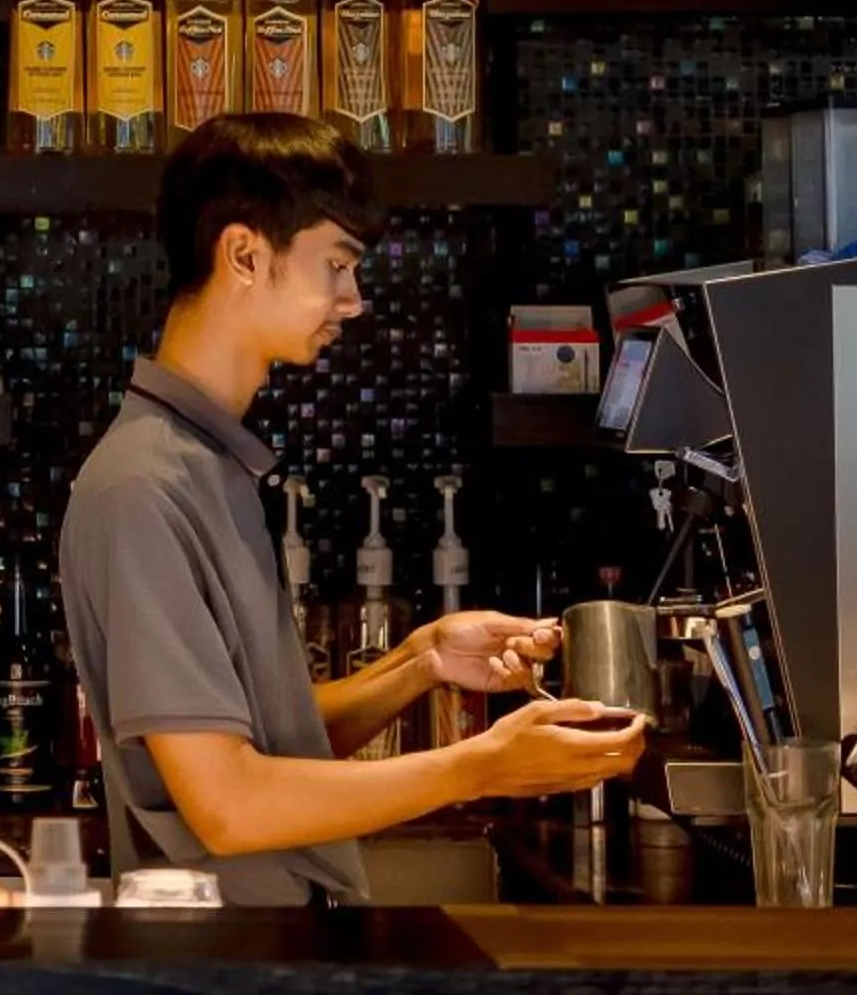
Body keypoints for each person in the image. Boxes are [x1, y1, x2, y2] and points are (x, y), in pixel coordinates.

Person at [59, 112, 649, 905]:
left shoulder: (207, 465)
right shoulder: (143, 489)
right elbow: (228, 804)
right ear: (244, 254)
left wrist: (421, 661)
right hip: (230, 955)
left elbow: (267, 742)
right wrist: (482, 766)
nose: (354, 301)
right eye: (337, 266)